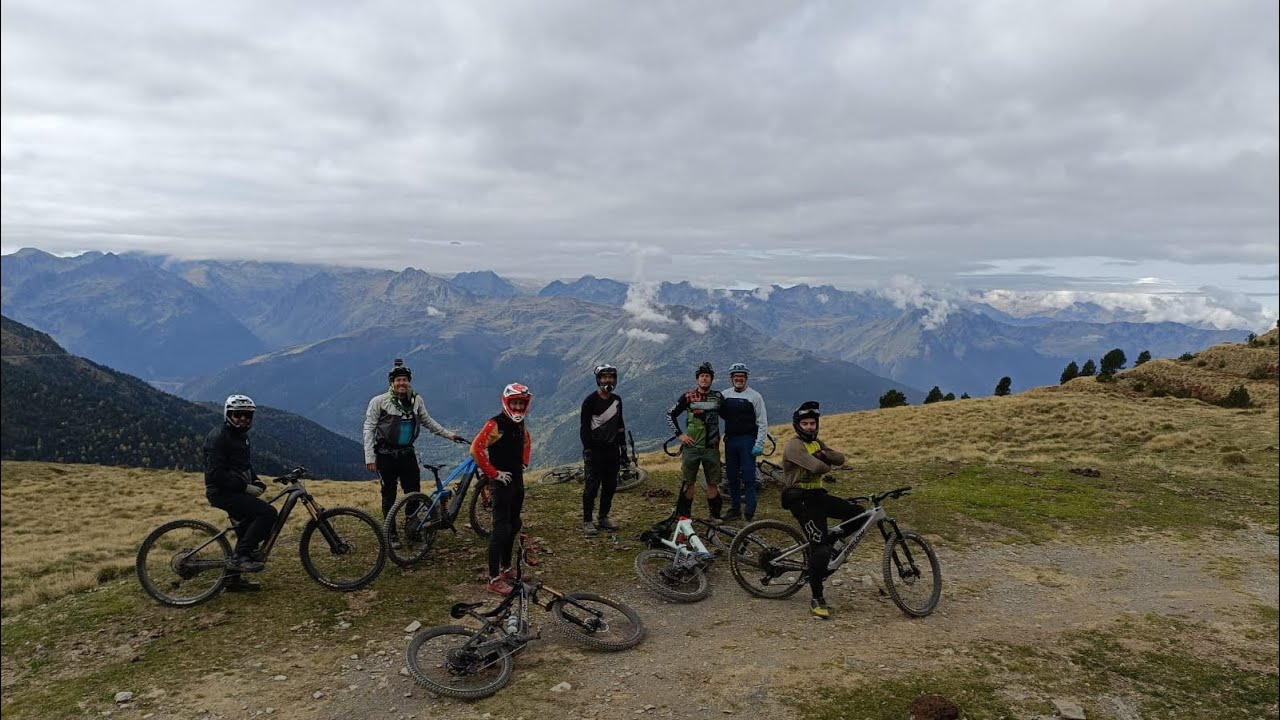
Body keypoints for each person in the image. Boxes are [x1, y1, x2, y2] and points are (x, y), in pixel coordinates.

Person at [363, 359, 465, 547]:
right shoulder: (379, 402)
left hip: (407, 453)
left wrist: (449, 435)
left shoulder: (416, 400)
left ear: (409, 381)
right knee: (389, 495)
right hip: (385, 455)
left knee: (414, 492)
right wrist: (370, 457)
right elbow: (369, 428)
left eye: (405, 379)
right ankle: (390, 533)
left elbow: (427, 421)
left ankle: (412, 526)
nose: (402, 383)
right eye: (398, 380)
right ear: (391, 383)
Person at [780, 400, 863, 618]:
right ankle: (817, 597)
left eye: (812, 423)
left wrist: (825, 455)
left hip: (816, 495)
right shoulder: (794, 445)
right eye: (805, 423)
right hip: (799, 498)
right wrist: (825, 460)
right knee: (820, 549)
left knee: (859, 514)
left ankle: (832, 537)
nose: (809, 427)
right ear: (798, 425)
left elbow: (840, 457)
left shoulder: (817, 443)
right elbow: (817, 466)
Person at [204, 394, 276, 590]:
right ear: (229, 414)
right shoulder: (218, 437)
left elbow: (244, 465)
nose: (243, 418)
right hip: (222, 492)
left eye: (247, 415)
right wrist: (245, 487)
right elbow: (216, 473)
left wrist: (256, 480)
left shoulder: (241, 437)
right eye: (238, 414)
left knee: (247, 533)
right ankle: (239, 558)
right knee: (268, 513)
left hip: (234, 490)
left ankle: (232, 581)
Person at [471, 383, 533, 594]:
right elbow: (476, 449)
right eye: (514, 403)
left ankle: (506, 569)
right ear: (507, 402)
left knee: (514, 524)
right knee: (500, 529)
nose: (517, 407)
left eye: (520, 403)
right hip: (500, 483)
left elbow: (527, 441)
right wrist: (493, 473)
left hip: (516, 479)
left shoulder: (520, 424)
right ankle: (494, 579)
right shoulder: (495, 424)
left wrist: (524, 461)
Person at [666, 361, 726, 523]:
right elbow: (670, 414)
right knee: (688, 482)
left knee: (713, 483)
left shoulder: (718, 398)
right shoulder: (688, 396)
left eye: (707, 376)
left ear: (712, 379)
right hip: (691, 448)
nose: (704, 379)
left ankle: (714, 516)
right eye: (702, 376)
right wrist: (680, 435)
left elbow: (729, 417)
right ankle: (685, 516)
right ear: (697, 379)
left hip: (711, 448)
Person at [580, 364, 626, 537]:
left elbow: (620, 425)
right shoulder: (590, 401)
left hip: (612, 450)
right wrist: (588, 449)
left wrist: (623, 449)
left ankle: (603, 517)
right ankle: (587, 520)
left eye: (611, 377)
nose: (608, 380)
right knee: (592, 486)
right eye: (604, 377)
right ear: (598, 379)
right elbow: (584, 427)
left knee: (610, 485)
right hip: (595, 450)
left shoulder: (617, 400)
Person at [719, 362, 768, 522]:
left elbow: (762, 422)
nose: (739, 379)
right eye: (736, 377)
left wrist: (759, 443)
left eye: (741, 377)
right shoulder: (724, 395)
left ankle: (749, 511)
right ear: (731, 378)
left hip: (748, 441)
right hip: (731, 441)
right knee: (732, 476)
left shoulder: (755, 396)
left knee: (748, 477)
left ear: (746, 378)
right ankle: (734, 509)